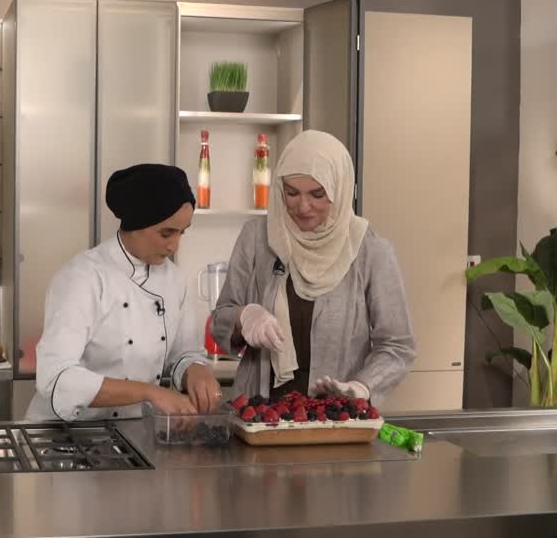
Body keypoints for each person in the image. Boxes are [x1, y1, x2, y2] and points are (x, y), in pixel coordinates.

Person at [211, 130, 415, 404]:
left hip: (336, 416)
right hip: (259, 415)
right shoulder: (258, 237)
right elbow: (220, 320)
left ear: (340, 189)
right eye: (292, 193)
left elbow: (397, 345)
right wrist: (244, 316)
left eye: (318, 194)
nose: (303, 206)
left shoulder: (371, 251)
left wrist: (363, 386)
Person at [26, 163, 222, 422]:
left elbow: (184, 353)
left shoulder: (173, 279)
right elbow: (57, 376)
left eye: (182, 233)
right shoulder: (84, 277)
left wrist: (195, 370)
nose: (174, 246)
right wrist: (150, 392)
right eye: (166, 233)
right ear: (136, 223)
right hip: (65, 436)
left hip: (131, 434)